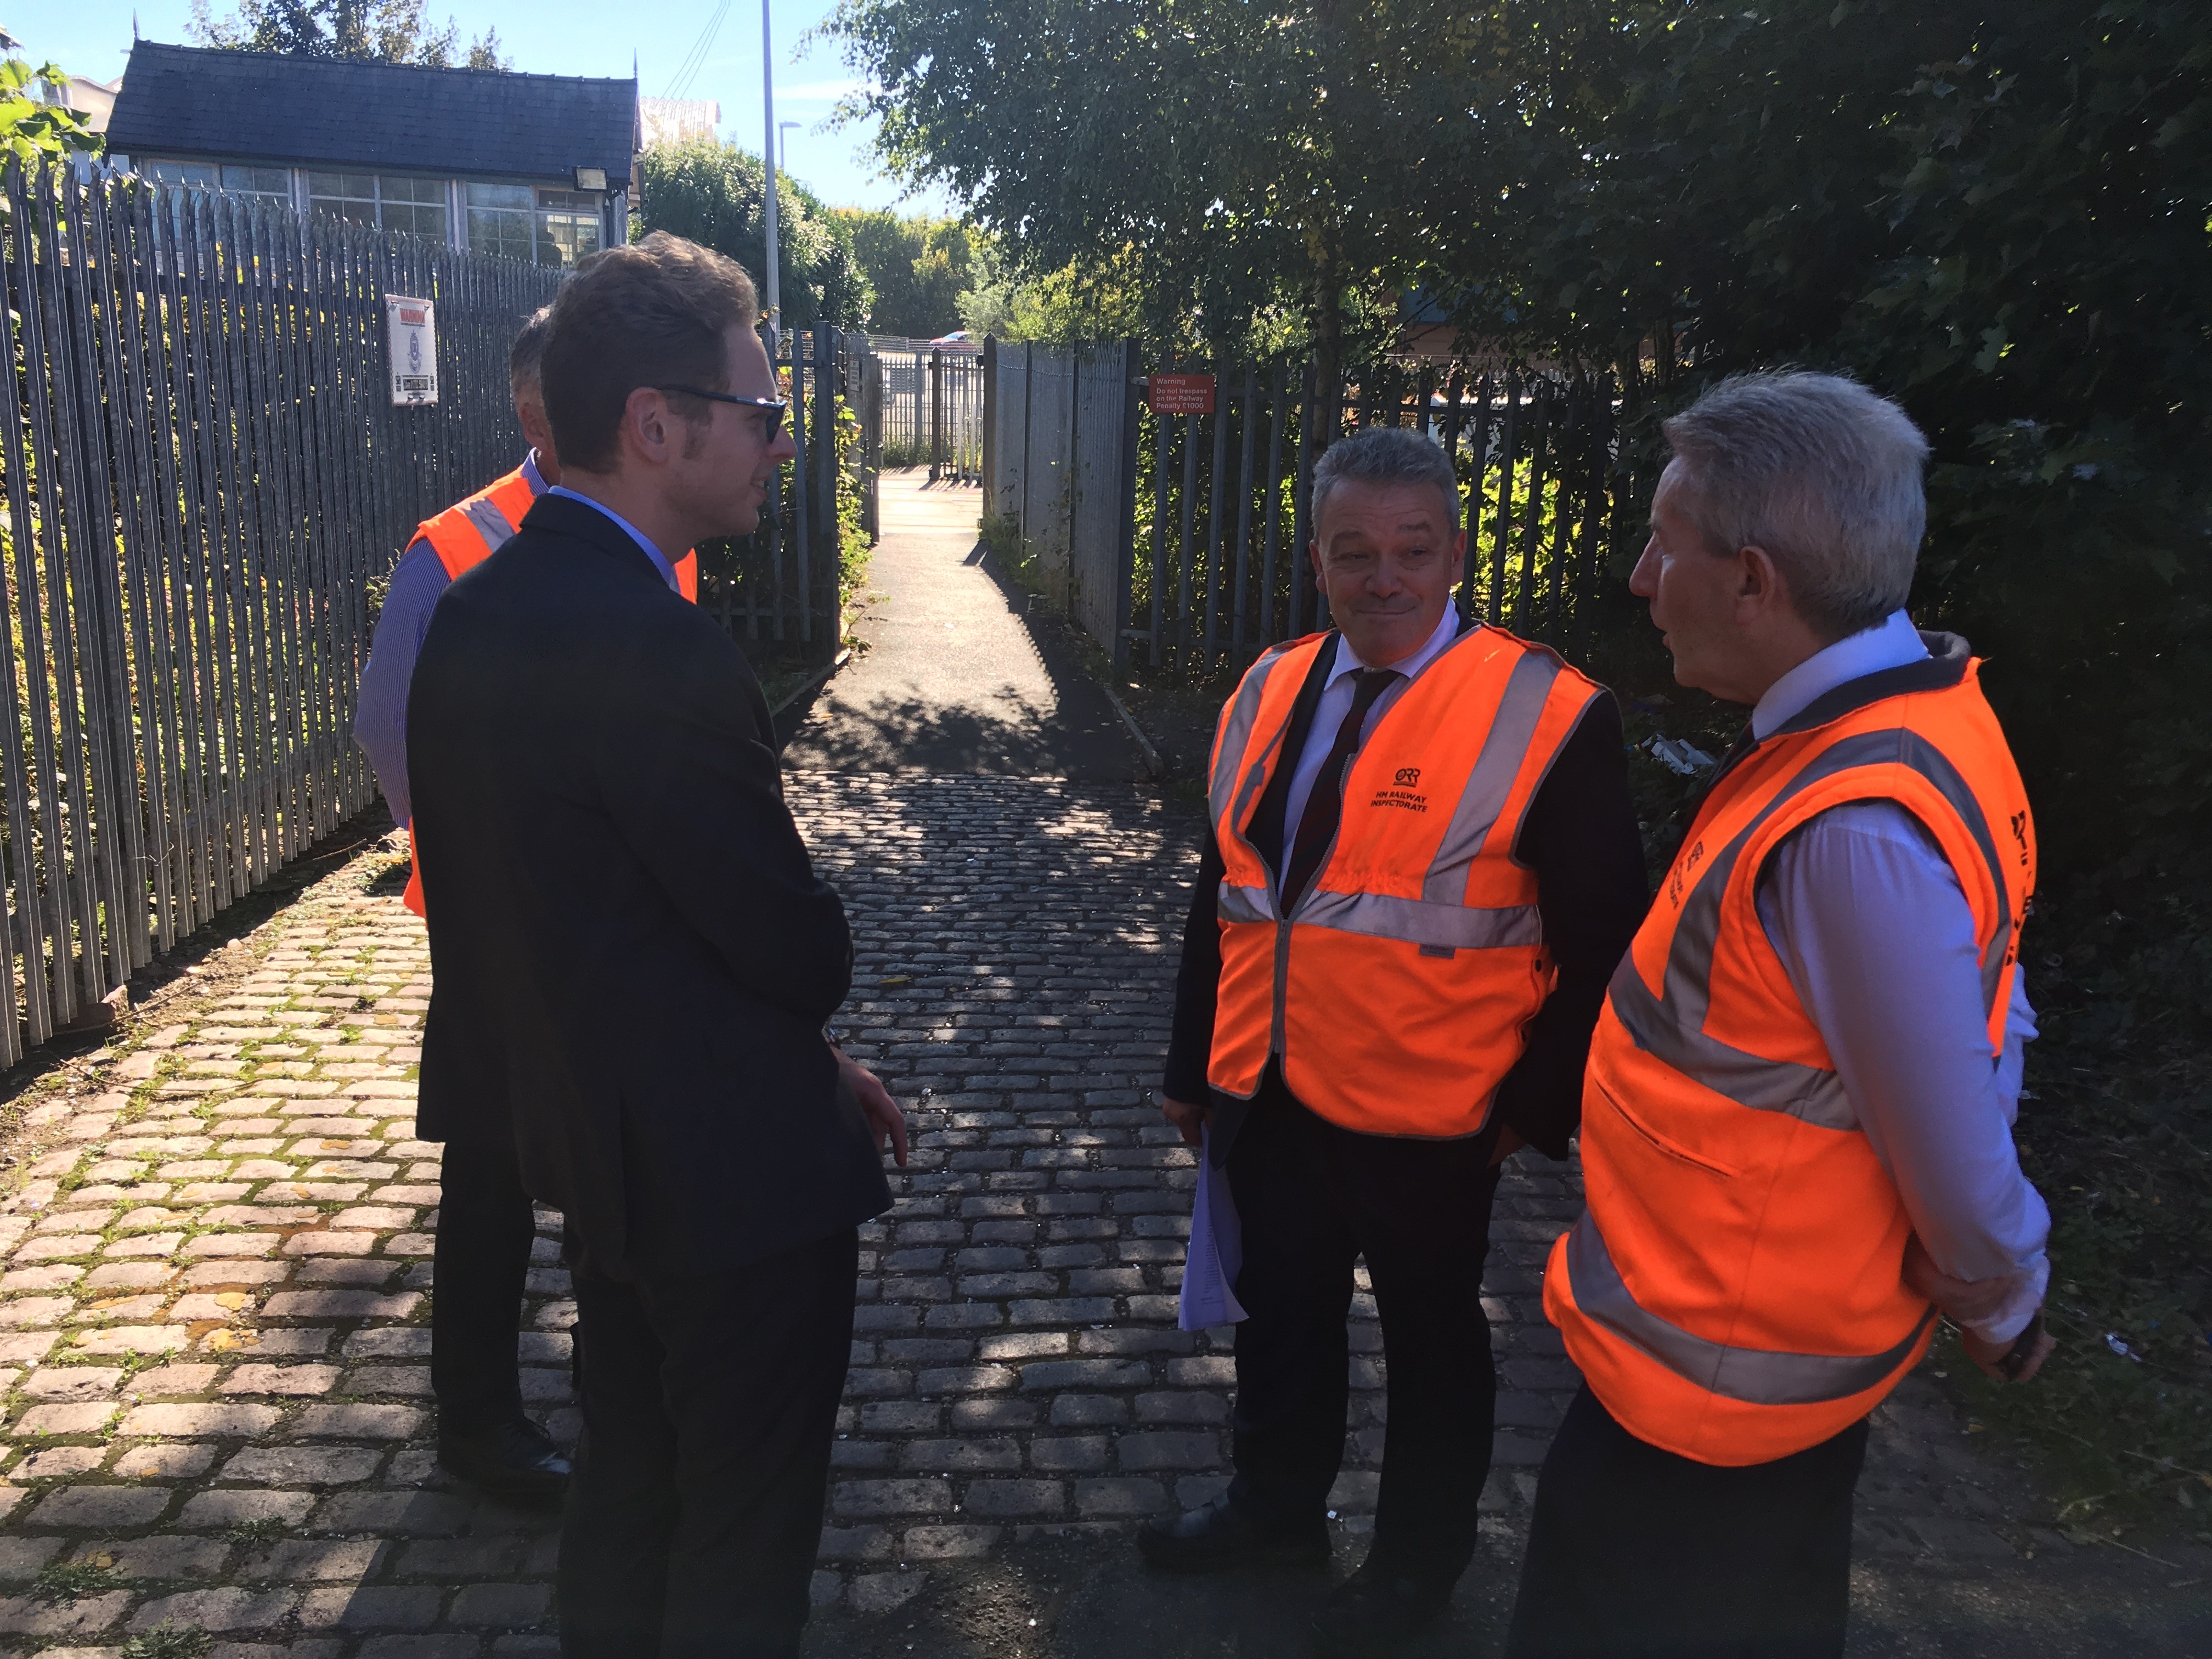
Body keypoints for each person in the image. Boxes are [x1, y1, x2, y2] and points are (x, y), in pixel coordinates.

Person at [406, 232, 907, 1658]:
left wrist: (809, 1061)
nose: (775, 442)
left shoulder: (477, 609)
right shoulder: (655, 640)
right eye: (758, 413)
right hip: (739, 1198)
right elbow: (796, 946)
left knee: (628, 1492)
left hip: (600, 1163)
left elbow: (597, 931)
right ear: (655, 425)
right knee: (740, 1541)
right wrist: (808, 1033)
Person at [1506, 371, 2055, 1659]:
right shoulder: (1924, 723)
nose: (1643, 577)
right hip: (1750, 1390)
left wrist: (2003, 1298)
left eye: (1665, 544)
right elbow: (1993, 1006)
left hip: (1705, 1423)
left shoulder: (1850, 829)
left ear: (1755, 582)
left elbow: (1949, 1132)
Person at [1141, 425, 1649, 1654]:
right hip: (1269, 1084)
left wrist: (1532, 1109)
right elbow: (1231, 885)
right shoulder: (1269, 687)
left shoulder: (1550, 712)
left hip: (1437, 1116)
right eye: (1354, 551)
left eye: (1411, 551)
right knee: (1283, 1314)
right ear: (1318, 558)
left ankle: (1417, 1563)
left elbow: (1609, 944)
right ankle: (1276, 1510)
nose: (1383, 578)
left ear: (1457, 551)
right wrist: (1193, 1062)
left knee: (1432, 1345)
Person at [354, 306, 699, 1501]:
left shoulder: (653, 529)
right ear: (533, 413)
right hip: (503, 927)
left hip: (614, 920)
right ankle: (478, 1422)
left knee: (611, 1141)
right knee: (493, 1170)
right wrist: (482, 859)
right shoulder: (456, 546)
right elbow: (389, 728)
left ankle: (618, 1383)